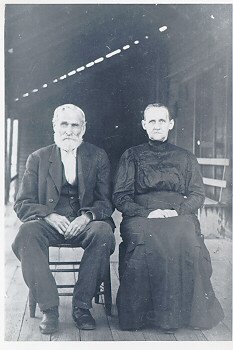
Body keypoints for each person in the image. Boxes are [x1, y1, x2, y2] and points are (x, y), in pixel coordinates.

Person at [112, 103, 224, 332]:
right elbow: (120, 196)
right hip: (140, 215)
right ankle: (144, 316)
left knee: (186, 234)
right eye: (151, 121)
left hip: (178, 213)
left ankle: (184, 315)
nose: (156, 126)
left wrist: (178, 211)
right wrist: (147, 212)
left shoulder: (186, 157)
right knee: (148, 236)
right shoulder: (131, 156)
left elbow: (197, 194)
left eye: (161, 121)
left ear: (170, 124)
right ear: (144, 125)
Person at [12, 104, 115, 334]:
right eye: (64, 124)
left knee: (103, 232)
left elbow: (106, 201)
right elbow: (22, 203)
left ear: (83, 128)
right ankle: (49, 308)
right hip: (50, 223)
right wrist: (48, 215)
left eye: (74, 125)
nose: (69, 130)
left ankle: (81, 307)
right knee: (26, 234)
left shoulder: (97, 156)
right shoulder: (37, 158)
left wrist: (87, 217)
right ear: (55, 127)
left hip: (85, 223)